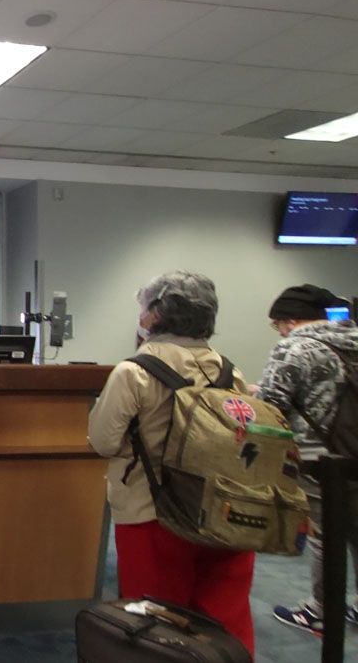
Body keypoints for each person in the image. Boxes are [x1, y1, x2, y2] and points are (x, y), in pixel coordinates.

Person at [88, 271, 256, 654]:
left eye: (143, 308)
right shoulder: (230, 372)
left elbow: (103, 441)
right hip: (220, 511)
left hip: (151, 512)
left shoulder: (134, 372)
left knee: (155, 627)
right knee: (224, 621)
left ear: (156, 314)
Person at [253, 285, 358, 635]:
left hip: (319, 458)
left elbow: (271, 407)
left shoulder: (293, 348)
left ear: (291, 320)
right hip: (355, 449)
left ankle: (321, 610)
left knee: (324, 534)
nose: (279, 332)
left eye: (278, 324)